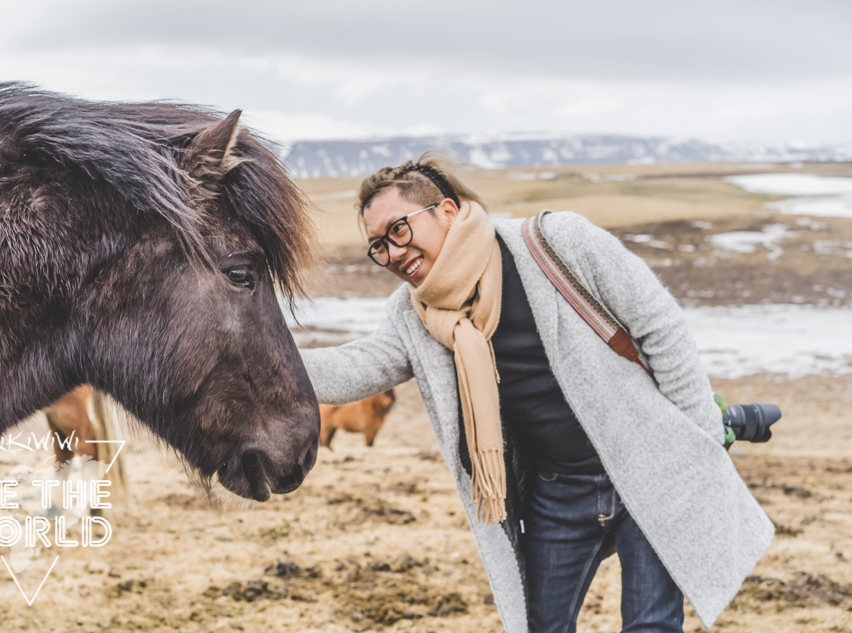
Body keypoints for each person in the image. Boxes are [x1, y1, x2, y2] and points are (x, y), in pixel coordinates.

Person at [299, 153, 773, 633]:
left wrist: (703, 436)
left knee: (651, 626)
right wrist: (252, 359)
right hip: (558, 493)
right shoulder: (415, 314)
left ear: (445, 209)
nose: (393, 253)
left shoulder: (555, 243)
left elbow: (661, 328)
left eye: (398, 230)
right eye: (378, 246)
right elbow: (356, 367)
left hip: (646, 465)